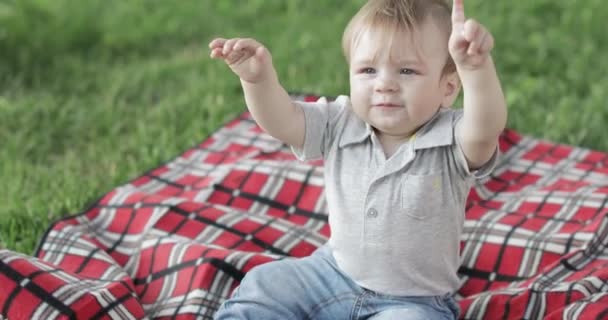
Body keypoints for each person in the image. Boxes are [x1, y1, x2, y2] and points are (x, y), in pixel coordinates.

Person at [209, 0, 506, 318]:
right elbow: (283, 120)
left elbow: (485, 128)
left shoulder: (452, 138)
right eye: (367, 70)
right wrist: (258, 82)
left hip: (412, 301)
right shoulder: (340, 121)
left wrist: (476, 71)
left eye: (406, 70)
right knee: (264, 283)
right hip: (331, 274)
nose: (385, 84)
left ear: (448, 88)